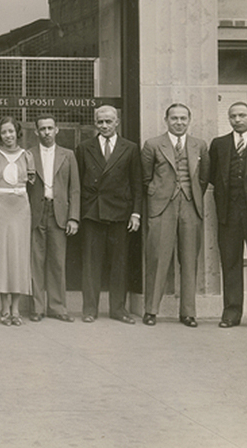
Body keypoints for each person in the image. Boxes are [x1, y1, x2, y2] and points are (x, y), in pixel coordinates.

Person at [141, 104, 209, 327]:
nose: (178, 122)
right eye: (174, 118)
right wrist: (159, 194)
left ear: (189, 120)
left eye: (183, 118)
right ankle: (151, 310)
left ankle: (188, 313)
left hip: (190, 204)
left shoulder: (199, 145)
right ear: (166, 120)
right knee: (157, 258)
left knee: (189, 260)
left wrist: (190, 194)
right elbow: (145, 176)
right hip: (162, 206)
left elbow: (203, 177)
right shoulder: (152, 144)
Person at [75, 105, 142, 324]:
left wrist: (136, 213)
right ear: (95, 123)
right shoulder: (85, 147)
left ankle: (118, 309)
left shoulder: (130, 148)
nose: (104, 125)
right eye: (100, 121)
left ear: (117, 122)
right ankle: (90, 309)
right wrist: (78, 213)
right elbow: (78, 184)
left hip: (120, 212)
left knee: (119, 263)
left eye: (108, 121)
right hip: (93, 212)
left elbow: (136, 184)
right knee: (91, 263)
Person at [209, 101, 247, 328]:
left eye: (242, 115)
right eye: (233, 116)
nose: (237, 120)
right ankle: (231, 313)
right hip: (229, 214)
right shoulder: (219, 144)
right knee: (230, 263)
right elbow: (211, 176)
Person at [26, 115, 80, 323]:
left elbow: (74, 189)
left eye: (50, 128)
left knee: (57, 262)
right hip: (36, 212)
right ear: (36, 132)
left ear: (57, 130)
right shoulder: (28, 154)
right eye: (42, 129)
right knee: (36, 261)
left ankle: (57, 307)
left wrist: (73, 218)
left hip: (59, 213)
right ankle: (37, 307)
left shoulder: (68, 155)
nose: (47, 132)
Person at [0, 117, 35, 326]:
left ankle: (16, 308)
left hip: (21, 208)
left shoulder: (27, 156)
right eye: (4, 132)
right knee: (1, 256)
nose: (8, 136)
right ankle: (4, 307)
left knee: (19, 256)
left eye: (11, 132)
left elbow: (30, 185)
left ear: (17, 133)